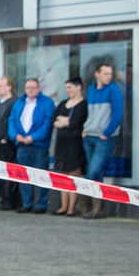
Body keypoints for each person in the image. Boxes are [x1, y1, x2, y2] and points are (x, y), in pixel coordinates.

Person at [80, 61, 124, 219]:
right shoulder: (91, 90)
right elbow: (89, 112)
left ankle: (88, 204)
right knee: (95, 172)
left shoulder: (114, 90)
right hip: (89, 135)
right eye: (105, 73)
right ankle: (98, 208)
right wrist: (85, 129)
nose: (108, 76)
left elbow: (117, 114)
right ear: (96, 74)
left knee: (93, 171)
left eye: (110, 74)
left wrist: (107, 132)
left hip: (103, 137)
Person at [9, 78, 56, 214]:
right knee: (24, 175)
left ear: (39, 89)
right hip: (22, 145)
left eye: (34, 87)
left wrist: (33, 137)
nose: (30, 90)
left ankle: (41, 204)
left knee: (40, 175)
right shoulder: (19, 103)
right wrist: (15, 136)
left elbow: (47, 124)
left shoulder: (47, 103)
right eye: (28, 87)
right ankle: (27, 203)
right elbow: (12, 121)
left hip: (39, 145)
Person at [50, 77, 88, 216]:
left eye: (70, 87)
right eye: (66, 87)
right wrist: (65, 121)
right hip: (61, 143)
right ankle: (63, 206)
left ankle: (72, 207)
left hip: (75, 144)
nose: (68, 90)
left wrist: (66, 121)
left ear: (79, 87)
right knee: (62, 175)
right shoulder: (63, 103)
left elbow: (77, 122)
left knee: (73, 175)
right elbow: (54, 119)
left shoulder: (83, 104)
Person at [0, 77, 19, 210]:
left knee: (9, 173)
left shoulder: (13, 103)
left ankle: (9, 200)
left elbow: (12, 122)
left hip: (7, 144)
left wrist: (5, 138)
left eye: (1, 85)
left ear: (9, 87)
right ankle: (2, 199)